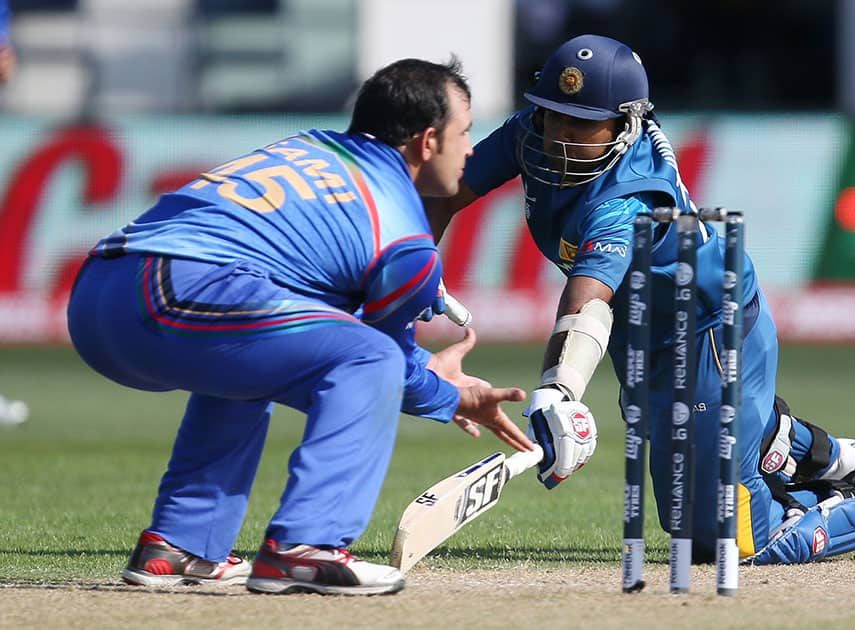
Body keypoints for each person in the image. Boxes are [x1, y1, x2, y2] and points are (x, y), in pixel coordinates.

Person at [427, 34, 855, 565]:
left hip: (709, 328)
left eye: (580, 124)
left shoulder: (631, 196)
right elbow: (446, 189)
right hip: (641, 324)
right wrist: (416, 268)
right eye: (553, 116)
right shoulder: (531, 134)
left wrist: (559, 390)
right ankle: (842, 459)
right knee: (684, 517)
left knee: (730, 543)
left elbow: (586, 300)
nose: (560, 137)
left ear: (624, 125)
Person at [67, 57, 534, 596]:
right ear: (427, 141)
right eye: (465, 132)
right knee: (370, 359)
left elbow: (330, 335)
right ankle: (306, 548)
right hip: (169, 288)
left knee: (253, 367)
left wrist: (428, 373)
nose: (471, 149)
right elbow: (376, 359)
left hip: (98, 291)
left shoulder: (307, 147)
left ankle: (181, 544)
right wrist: (445, 392)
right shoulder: (405, 236)